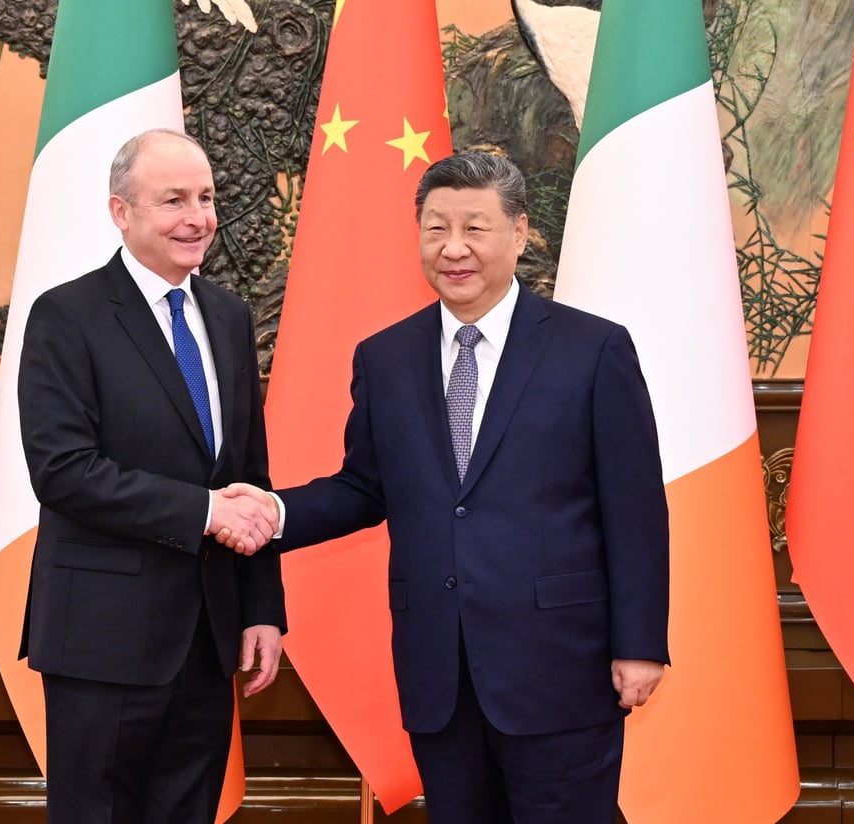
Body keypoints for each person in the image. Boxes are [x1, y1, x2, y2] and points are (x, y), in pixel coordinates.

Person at [222, 152, 669, 823]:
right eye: (435, 228)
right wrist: (275, 512)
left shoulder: (592, 350)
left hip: (560, 669)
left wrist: (639, 644)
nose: (453, 248)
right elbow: (364, 488)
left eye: (475, 228)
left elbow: (634, 511)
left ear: (519, 234)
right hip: (440, 673)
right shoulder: (386, 357)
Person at [17, 128, 286, 824]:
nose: (197, 217)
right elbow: (64, 472)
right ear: (121, 212)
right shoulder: (65, 317)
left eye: (205, 197)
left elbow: (248, 476)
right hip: (103, 641)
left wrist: (261, 608)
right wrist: (203, 511)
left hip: (207, 637)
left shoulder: (227, 317)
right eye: (173, 200)